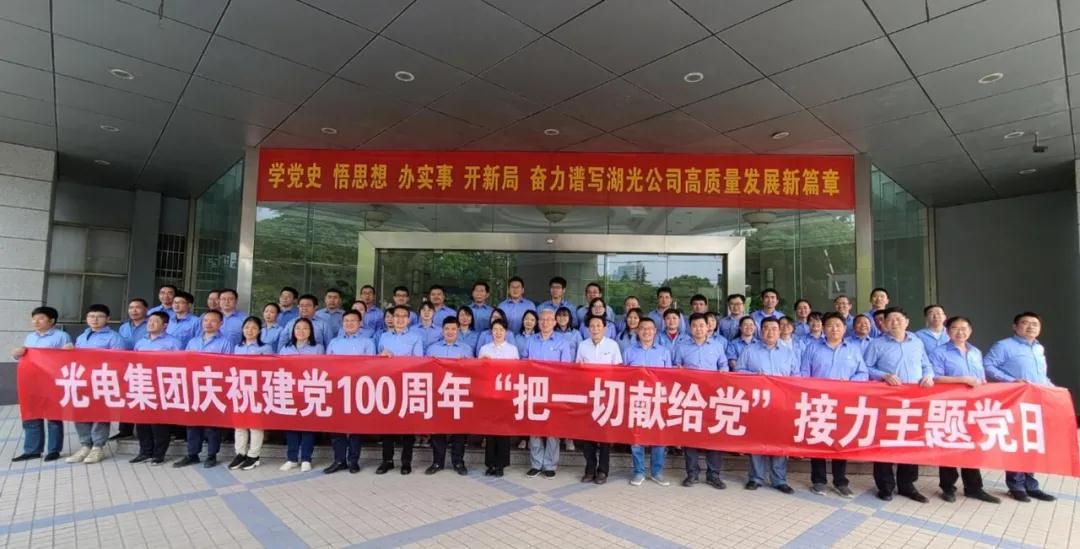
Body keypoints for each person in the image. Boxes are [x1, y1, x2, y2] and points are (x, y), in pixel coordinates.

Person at [983, 312, 1057, 503]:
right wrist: (1011, 381)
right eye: (1025, 323)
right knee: (1016, 442)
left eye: (1035, 324)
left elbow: (1041, 376)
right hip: (1016, 401)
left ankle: (1031, 485)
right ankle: (1015, 485)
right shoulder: (1004, 346)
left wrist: (1054, 390)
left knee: (1032, 442)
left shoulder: (1038, 348)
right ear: (1015, 327)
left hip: (1036, 402)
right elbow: (988, 365)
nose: (1031, 327)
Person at [928, 316, 1001, 504]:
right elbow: (935, 377)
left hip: (974, 406)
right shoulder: (939, 352)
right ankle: (948, 487)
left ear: (970, 331)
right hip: (951, 405)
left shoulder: (975, 352)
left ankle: (974, 488)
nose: (960, 332)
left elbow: (981, 378)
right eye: (955, 328)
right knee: (949, 445)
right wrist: (963, 379)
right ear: (947, 331)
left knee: (972, 445)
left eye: (964, 328)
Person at [864, 307, 934, 502]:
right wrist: (884, 375)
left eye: (899, 319)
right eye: (890, 320)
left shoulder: (917, 342)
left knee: (910, 442)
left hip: (914, 401)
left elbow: (926, 365)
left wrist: (928, 376)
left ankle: (907, 485)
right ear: (884, 323)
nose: (895, 322)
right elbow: (866, 367)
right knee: (884, 442)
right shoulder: (876, 344)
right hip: (887, 401)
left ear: (907, 322)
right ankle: (885, 486)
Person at [800, 312, 868, 498]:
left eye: (838, 325)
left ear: (845, 328)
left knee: (841, 440)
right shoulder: (812, 348)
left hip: (844, 402)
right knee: (818, 439)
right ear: (823, 328)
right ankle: (819, 481)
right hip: (819, 402)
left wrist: (850, 382)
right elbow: (804, 373)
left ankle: (840, 481)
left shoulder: (853, 349)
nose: (834, 329)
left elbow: (863, 373)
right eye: (830, 325)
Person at [735, 317, 797, 494]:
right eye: (767, 328)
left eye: (774, 328)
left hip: (781, 404)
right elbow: (739, 372)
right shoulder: (750, 350)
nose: (770, 332)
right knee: (757, 440)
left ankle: (779, 479)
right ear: (761, 331)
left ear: (780, 331)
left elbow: (797, 376)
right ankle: (756, 477)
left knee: (779, 441)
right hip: (757, 403)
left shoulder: (788, 353)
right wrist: (754, 376)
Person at [66, 304, 127, 465]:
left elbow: (119, 361)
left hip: (102, 381)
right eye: (91, 316)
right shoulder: (82, 337)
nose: (95, 319)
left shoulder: (114, 337)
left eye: (99, 316)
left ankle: (97, 447)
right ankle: (85, 445)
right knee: (81, 412)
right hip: (82, 380)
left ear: (107, 319)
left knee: (100, 414)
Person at [173, 310, 235, 469]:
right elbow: (185, 362)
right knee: (192, 422)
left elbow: (228, 366)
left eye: (213, 320)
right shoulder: (193, 342)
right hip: (194, 386)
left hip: (214, 387)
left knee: (212, 423)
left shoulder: (226, 343)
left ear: (220, 324)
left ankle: (212, 455)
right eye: (206, 320)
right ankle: (192, 454)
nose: (208, 323)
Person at [674, 313, 729, 489]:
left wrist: (723, 371)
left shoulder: (718, 346)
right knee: (690, 436)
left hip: (712, 396)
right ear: (690, 328)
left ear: (708, 327)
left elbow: (724, 365)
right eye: (695, 325)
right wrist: (678, 370)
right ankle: (692, 473)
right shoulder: (682, 347)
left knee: (714, 434)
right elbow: (675, 368)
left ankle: (713, 474)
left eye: (701, 325)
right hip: (690, 397)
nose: (698, 329)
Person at [10, 306, 72, 462]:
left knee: (53, 417)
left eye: (41, 318)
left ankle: (54, 450)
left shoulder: (62, 336)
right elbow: (26, 359)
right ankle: (32, 450)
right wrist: (17, 355)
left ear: (52, 321)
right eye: (34, 319)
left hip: (52, 381)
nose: (36, 322)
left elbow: (67, 359)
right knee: (31, 415)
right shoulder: (30, 337)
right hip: (32, 381)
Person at [521, 309, 573, 479]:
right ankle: (536, 463)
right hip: (534, 389)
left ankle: (550, 464)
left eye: (549, 319)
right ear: (538, 322)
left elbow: (566, 368)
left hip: (554, 390)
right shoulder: (531, 341)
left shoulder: (562, 342)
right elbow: (523, 363)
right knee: (534, 426)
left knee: (553, 427)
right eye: (542, 319)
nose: (545, 322)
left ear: (555, 322)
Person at [324, 311, 376, 475]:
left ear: (360, 323)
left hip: (358, 388)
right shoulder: (334, 342)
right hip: (337, 388)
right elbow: (327, 365)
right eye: (346, 320)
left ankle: (354, 461)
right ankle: (339, 460)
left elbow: (371, 366)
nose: (349, 323)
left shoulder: (367, 342)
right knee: (336, 426)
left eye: (353, 320)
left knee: (355, 426)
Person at [623, 317, 673, 486]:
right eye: (643, 328)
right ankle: (638, 472)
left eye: (650, 328)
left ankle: (657, 472)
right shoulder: (629, 351)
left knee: (659, 437)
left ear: (655, 331)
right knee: (637, 437)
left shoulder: (664, 352)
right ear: (638, 331)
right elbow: (623, 376)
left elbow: (669, 377)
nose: (646, 331)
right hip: (636, 399)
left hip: (658, 399)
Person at [129, 311, 184, 465]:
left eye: (155, 321)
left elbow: (180, 365)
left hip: (162, 385)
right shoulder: (141, 342)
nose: (151, 324)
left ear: (165, 325)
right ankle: (145, 451)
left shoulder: (173, 343)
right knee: (141, 421)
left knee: (158, 422)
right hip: (142, 384)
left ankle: (159, 454)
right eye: (149, 321)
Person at [376, 305, 425, 475]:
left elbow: (418, 362)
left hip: (407, 385)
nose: (400, 319)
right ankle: (387, 460)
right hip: (387, 385)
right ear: (392, 318)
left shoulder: (415, 337)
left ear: (409, 319)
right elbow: (376, 362)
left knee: (407, 426)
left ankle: (406, 461)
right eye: (397, 315)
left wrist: (396, 360)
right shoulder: (384, 337)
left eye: (404, 316)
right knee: (386, 425)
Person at [576, 314, 623, 484]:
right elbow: (578, 369)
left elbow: (618, 370)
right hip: (588, 395)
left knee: (604, 435)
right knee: (587, 434)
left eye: (598, 326)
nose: (595, 329)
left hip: (606, 395)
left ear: (605, 328)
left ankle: (603, 471)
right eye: (592, 326)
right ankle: (589, 469)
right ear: (588, 328)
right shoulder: (583, 345)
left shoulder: (612, 345)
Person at [425, 317, 474, 476]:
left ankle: (458, 462)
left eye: (453, 329)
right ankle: (437, 462)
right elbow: (425, 370)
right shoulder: (432, 349)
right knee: (437, 429)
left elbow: (474, 372)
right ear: (442, 331)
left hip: (458, 393)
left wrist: (464, 364)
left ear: (458, 330)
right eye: (447, 329)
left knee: (459, 430)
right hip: (438, 393)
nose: (450, 332)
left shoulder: (466, 349)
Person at [277, 318, 323, 472]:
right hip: (290, 390)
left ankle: (306, 458)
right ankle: (291, 458)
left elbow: (322, 368)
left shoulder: (318, 348)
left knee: (307, 426)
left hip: (310, 390)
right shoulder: (285, 348)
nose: (301, 331)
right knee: (291, 426)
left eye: (305, 328)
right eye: (298, 328)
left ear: (310, 331)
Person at [230, 316, 272, 471]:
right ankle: (240, 453)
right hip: (239, 388)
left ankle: (254, 456)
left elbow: (270, 369)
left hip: (257, 389)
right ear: (242, 330)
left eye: (254, 328)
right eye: (247, 327)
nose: (250, 330)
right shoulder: (237, 347)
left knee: (255, 425)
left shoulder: (265, 348)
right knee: (239, 424)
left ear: (259, 331)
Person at [478, 318, 518, 477]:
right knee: (490, 431)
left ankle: (501, 464)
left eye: (501, 329)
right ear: (491, 332)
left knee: (503, 431)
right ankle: (490, 464)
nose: (498, 332)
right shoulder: (484, 349)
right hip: (488, 394)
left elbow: (516, 372)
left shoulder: (512, 350)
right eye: (495, 329)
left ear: (506, 332)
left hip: (505, 395)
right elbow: (478, 371)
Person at [113, 297, 150, 440]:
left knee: (143, 398)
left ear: (146, 310)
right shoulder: (124, 327)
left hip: (145, 367)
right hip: (126, 366)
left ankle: (143, 431)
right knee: (126, 397)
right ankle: (125, 430)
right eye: (131, 308)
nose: (134, 310)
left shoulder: (151, 324)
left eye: (138, 307)